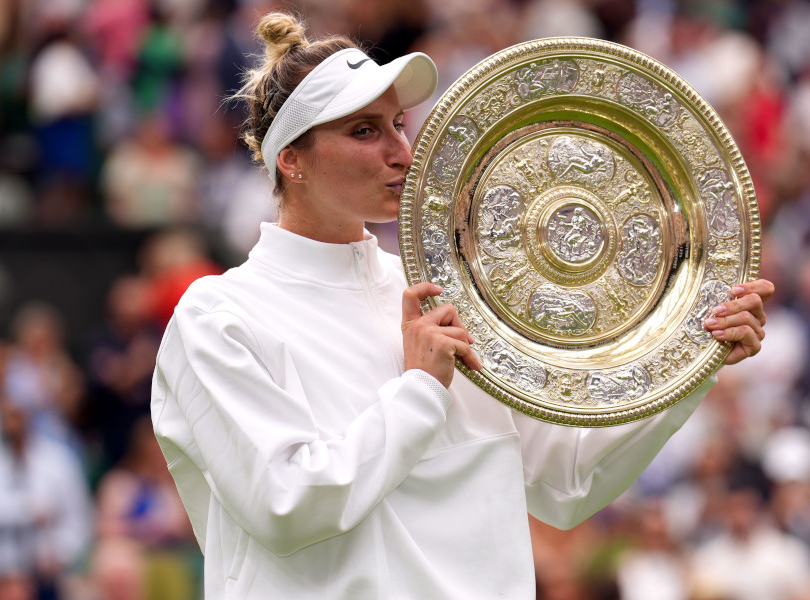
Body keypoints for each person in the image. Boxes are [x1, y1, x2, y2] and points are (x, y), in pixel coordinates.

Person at [150, 12, 773, 598]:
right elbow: (285, 503)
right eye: (364, 131)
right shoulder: (218, 316)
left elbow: (565, 481)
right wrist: (420, 388)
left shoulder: (449, 293)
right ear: (292, 161)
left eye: (397, 124)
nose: (401, 150)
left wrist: (695, 355)